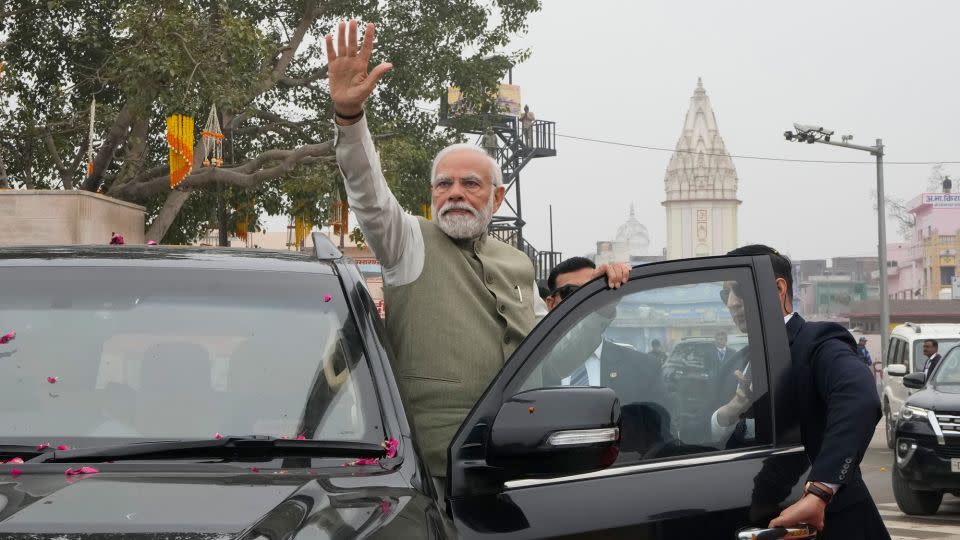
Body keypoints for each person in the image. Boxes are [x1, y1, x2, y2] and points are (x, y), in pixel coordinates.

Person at [324, 20, 630, 496]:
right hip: (426, 471)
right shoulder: (409, 243)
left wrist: (601, 300)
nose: (455, 194)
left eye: (470, 184)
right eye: (444, 184)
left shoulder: (517, 265)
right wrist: (350, 118)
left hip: (508, 465)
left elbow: (544, 363)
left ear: (499, 196)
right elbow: (368, 194)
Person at [716, 245, 887, 539]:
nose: (730, 303)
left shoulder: (817, 342)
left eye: (738, 291)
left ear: (778, 289)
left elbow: (858, 397)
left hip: (829, 524)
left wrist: (821, 491)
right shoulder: (737, 362)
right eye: (724, 295)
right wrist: (727, 414)